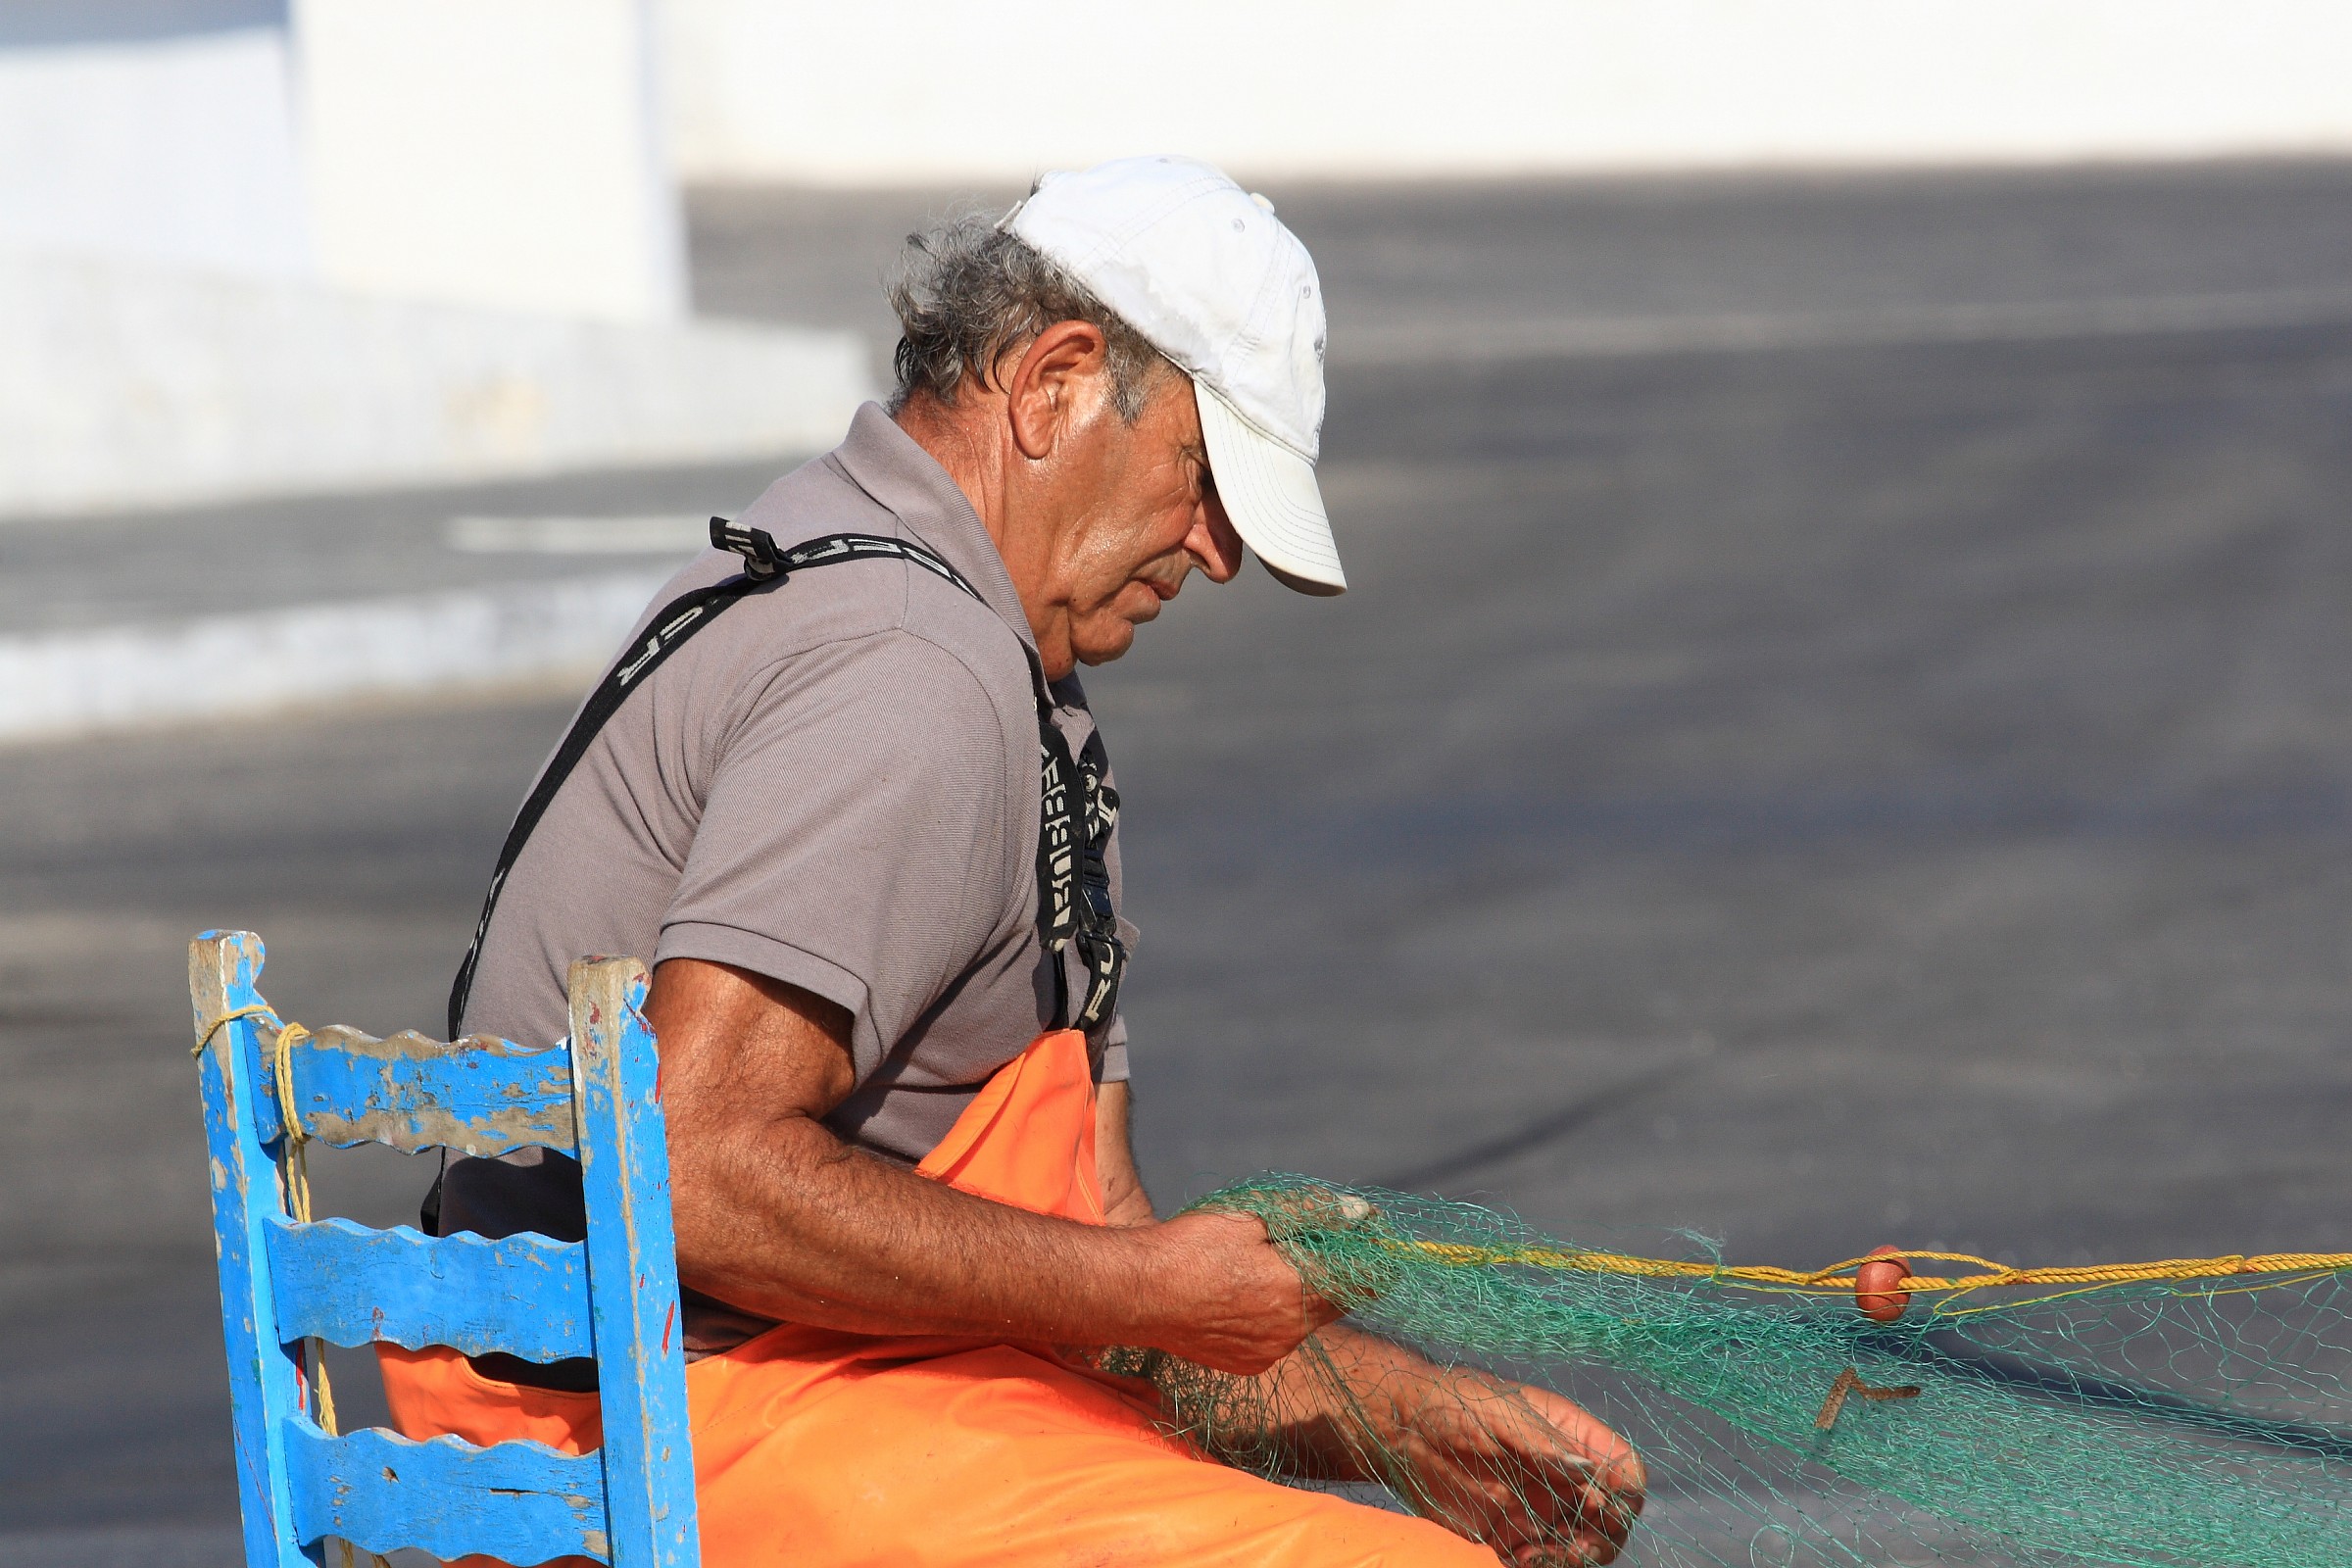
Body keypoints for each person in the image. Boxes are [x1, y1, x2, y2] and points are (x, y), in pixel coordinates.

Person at [380, 155, 1644, 1567]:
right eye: (1208, 478)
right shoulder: (912, 672)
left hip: (755, 1398)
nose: (1220, 553)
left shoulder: (883, 596)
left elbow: (1102, 1259)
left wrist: (1403, 1419)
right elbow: (690, 1165)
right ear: (1052, 384)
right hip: (658, 1429)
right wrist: (1150, 1288)